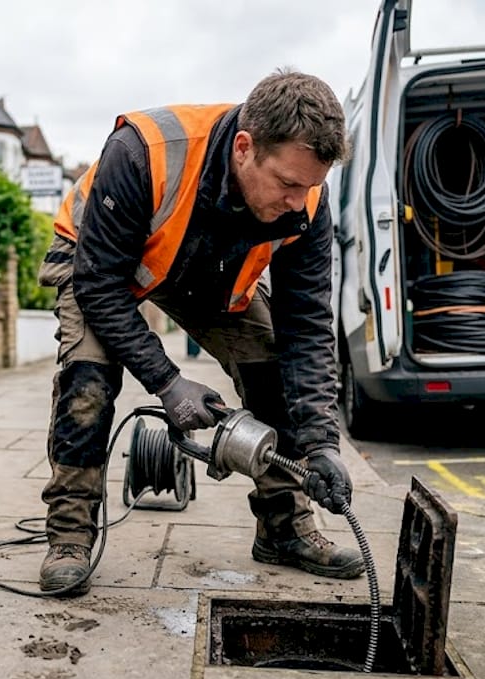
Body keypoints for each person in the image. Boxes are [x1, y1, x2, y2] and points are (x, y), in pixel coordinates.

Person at [36, 70, 361, 596]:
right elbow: (98, 286)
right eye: (287, 184)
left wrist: (322, 444)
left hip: (209, 273)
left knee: (273, 366)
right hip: (100, 264)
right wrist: (168, 382)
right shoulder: (143, 152)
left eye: (310, 186)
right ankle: (70, 534)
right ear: (243, 147)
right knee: (89, 379)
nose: (299, 202)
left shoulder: (307, 204)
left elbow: (306, 327)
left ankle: (284, 526)